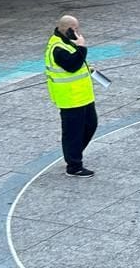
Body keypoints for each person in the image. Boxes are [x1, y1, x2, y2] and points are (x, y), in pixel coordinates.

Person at [44, 15, 97, 178]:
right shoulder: (57, 47)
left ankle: (72, 154)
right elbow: (72, 66)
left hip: (83, 96)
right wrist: (82, 47)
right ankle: (74, 166)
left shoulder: (66, 42)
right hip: (70, 98)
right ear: (67, 29)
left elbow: (75, 63)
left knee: (91, 125)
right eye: (75, 29)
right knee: (73, 132)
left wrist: (87, 68)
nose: (78, 32)